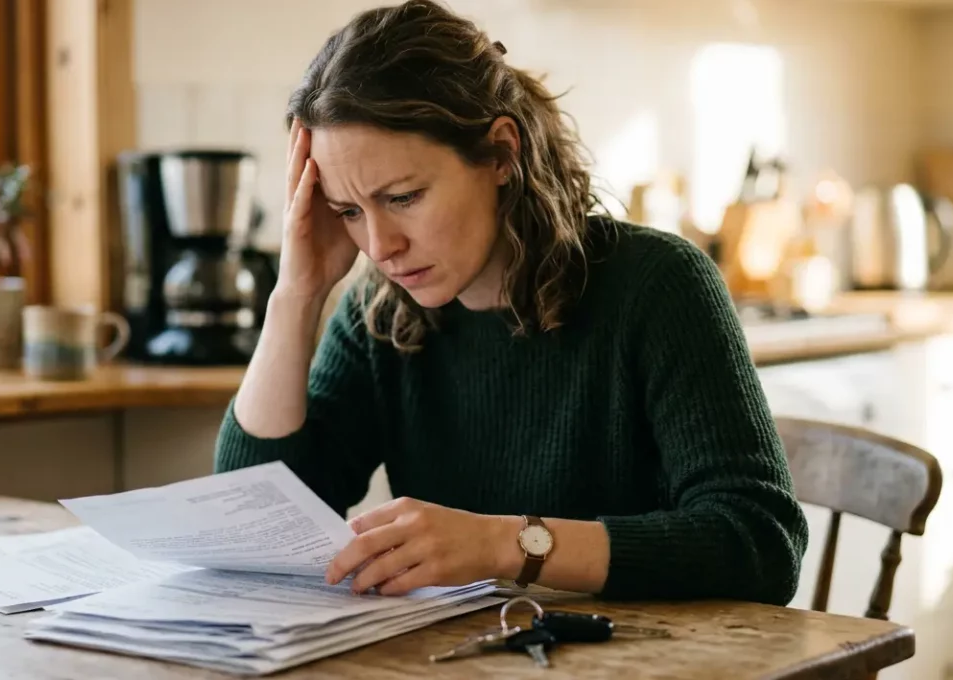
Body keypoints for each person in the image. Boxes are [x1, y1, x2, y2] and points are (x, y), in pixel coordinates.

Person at [214, 0, 808, 605]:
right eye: (348, 211)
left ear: (500, 154)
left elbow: (760, 542)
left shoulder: (658, 285)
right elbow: (253, 528)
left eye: (403, 197)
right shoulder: (379, 315)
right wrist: (297, 293)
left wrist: (505, 545)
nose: (380, 246)